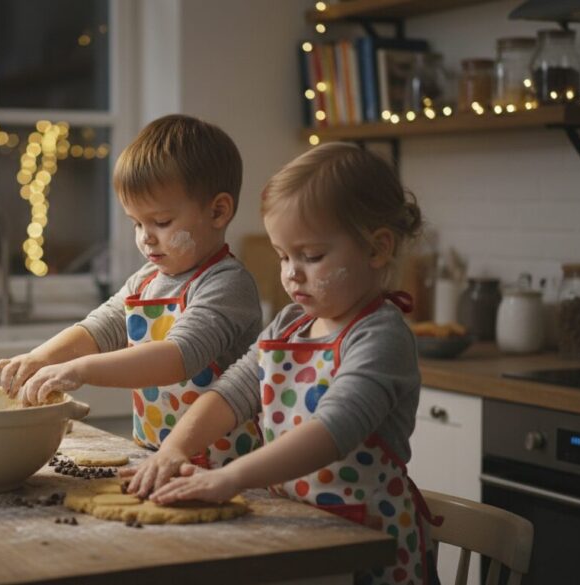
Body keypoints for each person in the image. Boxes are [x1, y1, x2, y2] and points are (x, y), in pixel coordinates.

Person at [124, 143, 441, 585]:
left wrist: (230, 478)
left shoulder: (380, 338)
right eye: (283, 255)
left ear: (376, 248)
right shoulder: (290, 324)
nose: (291, 273)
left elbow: (333, 430)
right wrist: (176, 449)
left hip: (366, 546)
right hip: (299, 534)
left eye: (310, 256)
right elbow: (232, 392)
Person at [0, 114, 263, 467]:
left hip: (223, 466)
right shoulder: (146, 278)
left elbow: (179, 357)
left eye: (161, 222)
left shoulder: (226, 284)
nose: (145, 237)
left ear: (218, 211)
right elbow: (101, 328)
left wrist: (80, 370)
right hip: (154, 454)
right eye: (136, 223)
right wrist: (41, 358)